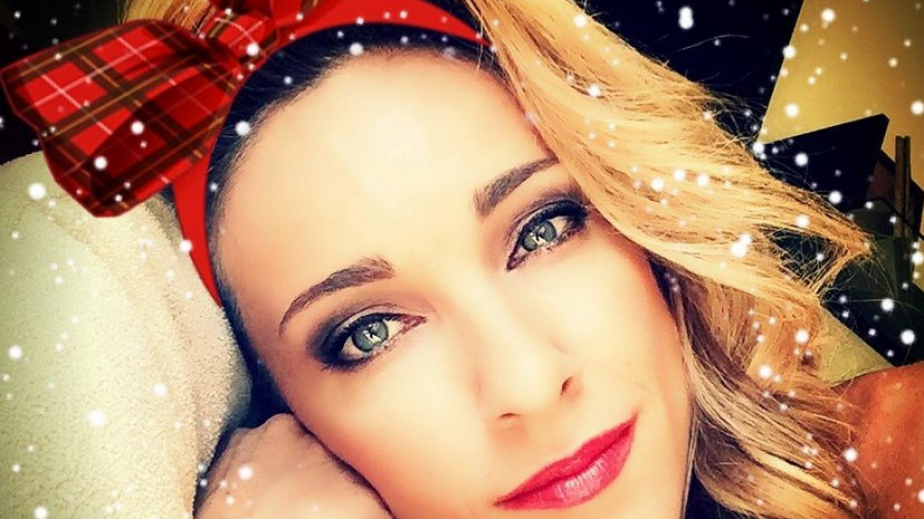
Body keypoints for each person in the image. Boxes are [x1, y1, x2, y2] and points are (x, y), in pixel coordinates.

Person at [4, 0, 922, 518]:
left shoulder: (891, 453)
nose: (527, 380)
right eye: (370, 332)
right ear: (285, 413)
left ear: (638, 220)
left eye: (544, 228)